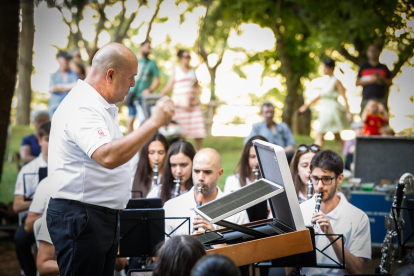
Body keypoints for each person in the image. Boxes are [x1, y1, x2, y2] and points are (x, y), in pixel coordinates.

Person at [47, 42, 174, 276]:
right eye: (131, 77)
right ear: (111, 75)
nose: (134, 84)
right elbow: (107, 155)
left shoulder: (98, 106)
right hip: (83, 218)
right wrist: (154, 122)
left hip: (96, 216)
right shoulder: (82, 106)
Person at [295, 150, 371, 275]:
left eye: (326, 179)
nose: (319, 186)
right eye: (315, 179)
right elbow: (288, 271)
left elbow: (357, 270)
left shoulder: (359, 218)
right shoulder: (299, 212)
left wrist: (331, 236)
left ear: (340, 178)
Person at [163, 148, 249, 236]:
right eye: (196, 171)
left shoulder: (237, 210)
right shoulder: (171, 207)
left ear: (219, 174)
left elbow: (243, 248)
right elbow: (164, 248)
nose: (200, 177)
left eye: (207, 172)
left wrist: (214, 236)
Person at [36, 202, 126, 276]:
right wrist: (81, 264)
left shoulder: (109, 211)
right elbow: (43, 265)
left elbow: (121, 264)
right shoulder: (59, 211)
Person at [13, 121, 50, 276]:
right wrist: (37, 200)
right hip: (36, 217)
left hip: (59, 216)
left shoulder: (66, 167)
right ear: (40, 141)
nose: (52, 143)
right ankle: (29, 272)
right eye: (48, 139)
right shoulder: (28, 170)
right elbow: (17, 205)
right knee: (20, 239)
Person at [299, 58, 351, 150]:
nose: (323, 70)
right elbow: (319, 96)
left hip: (331, 111)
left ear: (330, 68)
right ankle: (349, 157)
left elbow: (344, 98)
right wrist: (305, 106)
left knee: (319, 134)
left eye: (325, 67)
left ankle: (315, 157)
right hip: (326, 110)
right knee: (337, 136)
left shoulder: (336, 81)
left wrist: (348, 114)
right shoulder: (327, 81)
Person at [161, 49, 206, 151]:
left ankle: (199, 151)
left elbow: (197, 86)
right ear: (181, 58)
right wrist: (159, 95)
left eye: (189, 57)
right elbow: (169, 85)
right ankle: (182, 151)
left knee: (198, 130)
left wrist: (197, 98)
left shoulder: (192, 71)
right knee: (182, 131)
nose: (188, 59)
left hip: (193, 105)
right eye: (186, 57)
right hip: (180, 105)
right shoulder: (176, 70)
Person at [126, 39, 160, 132]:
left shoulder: (151, 63)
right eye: (148, 47)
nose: (149, 50)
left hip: (143, 98)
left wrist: (149, 89)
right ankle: (130, 142)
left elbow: (157, 80)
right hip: (131, 95)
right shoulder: (132, 60)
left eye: (150, 48)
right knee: (130, 120)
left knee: (144, 120)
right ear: (141, 46)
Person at [356, 44, 393, 113]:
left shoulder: (384, 67)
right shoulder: (363, 67)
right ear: (367, 53)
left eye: (374, 51)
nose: (373, 52)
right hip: (366, 99)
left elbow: (390, 82)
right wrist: (371, 80)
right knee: (366, 121)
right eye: (371, 51)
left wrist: (381, 79)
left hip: (381, 99)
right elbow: (357, 82)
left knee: (382, 120)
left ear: (378, 52)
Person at [131, 133, 169, 198]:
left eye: (161, 153)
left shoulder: (171, 179)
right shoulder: (134, 180)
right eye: (151, 153)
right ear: (145, 154)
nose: (156, 158)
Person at [48, 50, 78, 118]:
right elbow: (52, 88)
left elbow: (76, 86)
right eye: (65, 59)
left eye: (68, 60)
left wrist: (59, 88)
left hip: (69, 109)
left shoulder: (73, 75)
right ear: (59, 60)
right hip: (55, 108)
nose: (66, 61)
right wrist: (68, 87)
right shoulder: (53, 75)